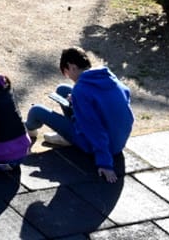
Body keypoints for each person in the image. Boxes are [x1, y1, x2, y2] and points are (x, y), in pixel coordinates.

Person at [23, 47, 134, 182]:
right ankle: (66, 135)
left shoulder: (81, 90)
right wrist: (77, 101)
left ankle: (30, 129)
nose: (68, 76)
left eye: (66, 72)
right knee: (62, 89)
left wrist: (105, 163)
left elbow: (95, 129)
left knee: (37, 110)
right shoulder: (109, 77)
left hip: (99, 146)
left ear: (71, 66)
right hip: (118, 140)